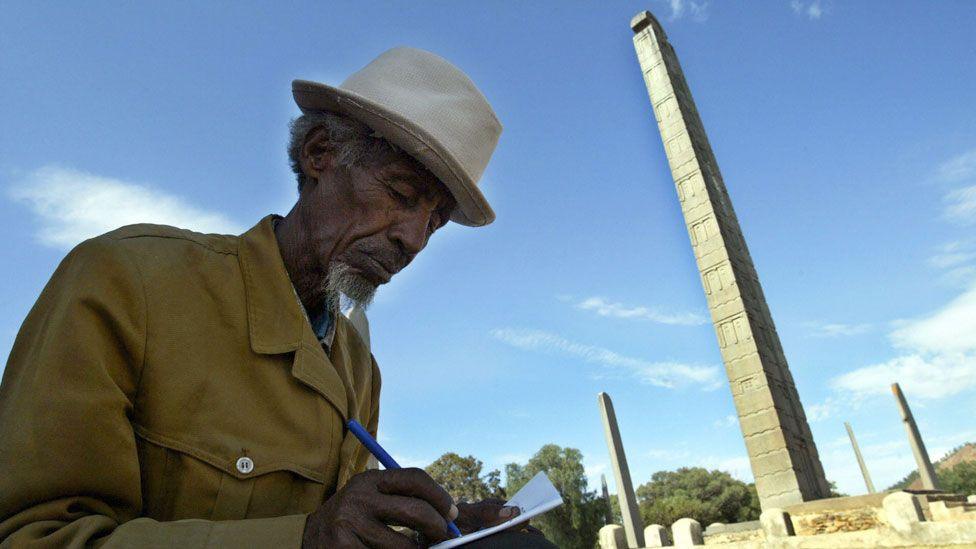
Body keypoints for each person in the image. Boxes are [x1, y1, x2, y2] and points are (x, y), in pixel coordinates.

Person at [0, 47, 555, 548]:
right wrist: (303, 539)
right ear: (320, 155)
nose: (412, 239)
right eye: (400, 194)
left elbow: (344, 528)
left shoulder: (359, 367)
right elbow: (33, 535)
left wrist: (441, 531)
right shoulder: (126, 281)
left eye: (433, 221)